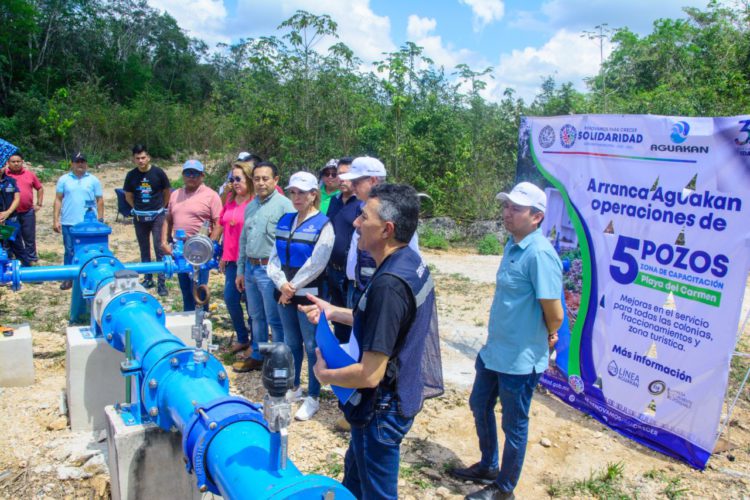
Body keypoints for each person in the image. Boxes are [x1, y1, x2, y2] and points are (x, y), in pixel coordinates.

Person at [301, 183, 443, 499]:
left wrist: (324, 375)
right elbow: (386, 324)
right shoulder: (410, 262)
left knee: (376, 493)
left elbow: (369, 374)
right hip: (396, 394)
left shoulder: (388, 285)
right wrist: (334, 312)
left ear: (386, 230)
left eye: (364, 216)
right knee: (354, 478)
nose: (355, 223)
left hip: (380, 408)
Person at [449, 182, 564, 500]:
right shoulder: (513, 245)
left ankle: (504, 488)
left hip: (520, 358)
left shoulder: (540, 255)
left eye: (516, 208)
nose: (507, 212)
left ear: (537, 217)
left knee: (514, 424)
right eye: (507, 206)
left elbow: (554, 315)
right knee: (479, 404)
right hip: (494, 350)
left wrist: (546, 334)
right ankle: (488, 465)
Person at [268, 171, 333, 420]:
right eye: (293, 192)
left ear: (313, 195)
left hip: (308, 297)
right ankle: (294, 387)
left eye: (302, 192)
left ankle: (314, 397)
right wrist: (282, 284)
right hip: (285, 294)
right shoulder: (285, 220)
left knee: (312, 345)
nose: (296, 197)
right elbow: (274, 258)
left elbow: (317, 263)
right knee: (291, 343)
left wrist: (290, 287)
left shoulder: (324, 225)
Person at [234, 161, 293, 372]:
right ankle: (258, 355)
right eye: (256, 178)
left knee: (274, 319)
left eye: (265, 178)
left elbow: (290, 243)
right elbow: (243, 240)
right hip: (250, 269)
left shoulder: (285, 206)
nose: (260, 183)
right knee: (256, 317)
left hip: (270, 271)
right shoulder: (251, 206)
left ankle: (277, 361)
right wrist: (240, 270)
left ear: (275, 180)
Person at [342, 156, 419, 310]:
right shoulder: (361, 206)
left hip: (378, 291)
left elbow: (411, 255)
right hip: (357, 287)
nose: (352, 186)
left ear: (373, 180)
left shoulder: (394, 211)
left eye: (356, 182)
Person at [160, 159, 222, 311]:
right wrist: (164, 242)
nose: (191, 177)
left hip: (199, 249)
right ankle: (188, 320)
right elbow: (167, 220)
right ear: (183, 175)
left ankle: (201, 322)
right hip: (180, 248)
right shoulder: (175, 195)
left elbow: (219, 222)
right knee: (185, 289)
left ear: (202, 176)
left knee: (199, 288)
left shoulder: (211, 195)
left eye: (195, 174)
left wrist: (209, 245)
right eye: (188, 173)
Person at [216, 160, 256, 359]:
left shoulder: (255, 203)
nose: (234, 183)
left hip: (250, 261)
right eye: (232, 179)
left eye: (238, 179)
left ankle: (256, 342)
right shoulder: (230, 201)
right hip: (231, 260)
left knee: (252, 304)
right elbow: (224, 226)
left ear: (249, 179)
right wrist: (223, 255)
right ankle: (242, 336)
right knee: (230, 299)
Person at [123, 145, 171, 296]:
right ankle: (148, 277)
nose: (140, 161)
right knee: (144, 248)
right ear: (134, 159)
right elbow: (128, 195)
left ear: (148, 157)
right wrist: (136, 207)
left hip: (157, 215)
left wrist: (162, 207)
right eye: (137, 158)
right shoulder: (131, 175)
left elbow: (167, 191)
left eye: (143, 158)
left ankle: (162, 283)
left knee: (159, 248)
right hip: (140, 217)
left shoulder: (158, 173)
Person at [53, 152, 104, 290]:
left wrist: (100, 219)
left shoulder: (93, 180)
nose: (80, 164)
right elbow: (58, 199)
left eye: (83, 161)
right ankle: (68, 278)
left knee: (88, 251)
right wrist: (55, 219)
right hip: (68, 222)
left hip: (88, 224)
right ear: (72, 163)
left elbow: (99, 200)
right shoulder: (64, 179)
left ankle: (87, 276)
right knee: (69, 251)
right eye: (77, 162)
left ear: (86, 163)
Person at [325, 157, 358, 343]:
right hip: (333, 272)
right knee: (338, 320)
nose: (342, 179)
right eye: (340, 174)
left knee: (353, 320)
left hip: (350, 277)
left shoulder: (361, 204)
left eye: (347, 175)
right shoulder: (334, 201)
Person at [3, 153, 43, 267]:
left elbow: (39, 188)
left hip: (27, 212)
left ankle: (32, 260)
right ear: (8, 163)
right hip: (9, 215)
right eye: (13, 161)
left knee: (29, 238)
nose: (16, 163)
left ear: (22, 162)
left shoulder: (29, 174)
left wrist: (39, 204)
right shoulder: (5, 176)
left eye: (18, 161)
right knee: (10, 238)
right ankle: (10, 261)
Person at [0, 163, 20, 257]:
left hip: (9, 218)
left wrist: (8, 212)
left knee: (9, 244)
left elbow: (17, 198)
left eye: (2, 166)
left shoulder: (10, 181)